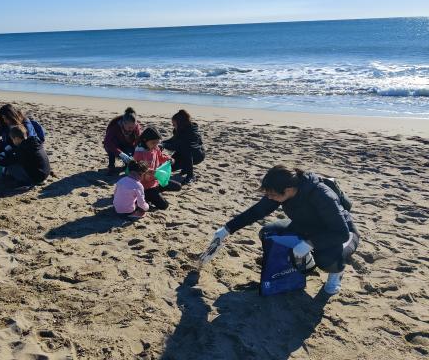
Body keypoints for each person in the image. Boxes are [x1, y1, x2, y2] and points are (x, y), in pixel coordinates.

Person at [213, 165, 360, 295]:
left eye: (272, 195)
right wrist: (227, 229)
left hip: (340, 233)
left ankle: (337, 271)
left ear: (288, 190)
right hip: (306, 226)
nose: (269, 198)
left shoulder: (322, 195)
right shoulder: (282, 192)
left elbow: (341, 233)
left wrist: (310, 243)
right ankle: (306, 263)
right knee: (268, 233)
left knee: (326, 260)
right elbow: (256, 212)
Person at [132, 127, 181, 210]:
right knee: (164, 206)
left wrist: (169, 159)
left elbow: (160, 157)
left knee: (178, 186)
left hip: (156, 180)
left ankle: (154, 193)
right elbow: (136, 169)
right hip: (145, 186)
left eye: (157, 143)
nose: (155, 145)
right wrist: (148, 171)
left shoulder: (155, 148)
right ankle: (145, 197)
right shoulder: (139, 153)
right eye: (153, 143)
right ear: (145, 140)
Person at [161, 110, 205, 184]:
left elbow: (176, 146)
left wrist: (163, 145)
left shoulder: (191, 133)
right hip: (183, 153)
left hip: (197, 156)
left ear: (180, 123)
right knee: (170, 166)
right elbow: (173, 140)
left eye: (174, 124)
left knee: (186, 151)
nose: (173, 126)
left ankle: (190, 175)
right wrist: (161, 142)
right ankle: (185, 169)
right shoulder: (179, 130)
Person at [103, 107, 141, 175]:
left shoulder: (136, 127)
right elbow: (107, 142)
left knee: (130, 155)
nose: (131, 129)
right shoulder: (114, 126)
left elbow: (138, 140)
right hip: (115, 145)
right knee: (111, 149)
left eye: (133, 127)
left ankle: (127, 166)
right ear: (123, 123)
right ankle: (111, 166)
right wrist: (120, 153)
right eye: (129, 127)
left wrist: (135, 152)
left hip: (128, 144)